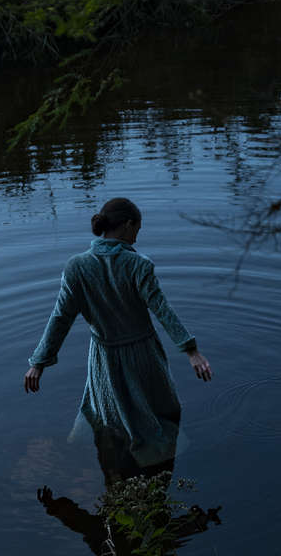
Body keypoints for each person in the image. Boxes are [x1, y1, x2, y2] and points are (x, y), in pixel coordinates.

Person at [24, 196, 213, 480]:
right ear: (127, 225)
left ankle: (115, 471)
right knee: (162, 412)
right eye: (138, 229)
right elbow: (162, 309)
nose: (138, 236)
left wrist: (38, 363)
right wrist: (191, 351)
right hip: (143, 354)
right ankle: (157, 471)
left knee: (112, 418)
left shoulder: (76, 267)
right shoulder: (139, 265)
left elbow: (60, 318)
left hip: (105, 357)